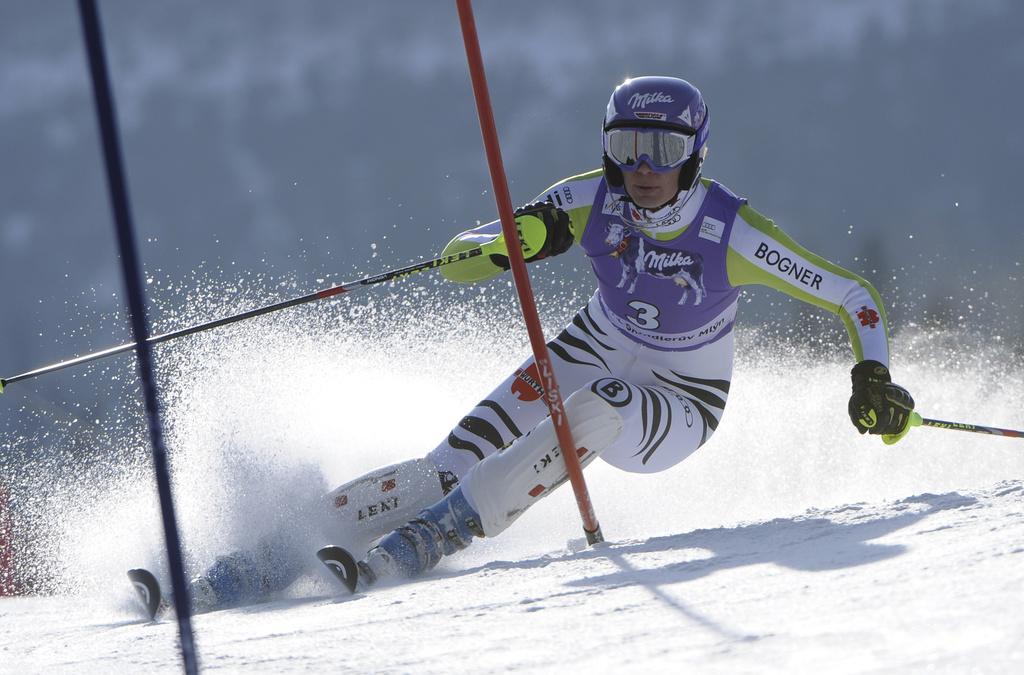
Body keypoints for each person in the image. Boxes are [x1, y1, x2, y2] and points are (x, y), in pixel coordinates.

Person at [187, 76, 915, 607]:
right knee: (451, 461)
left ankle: (448, 531)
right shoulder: (592, 197)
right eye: (627, 147)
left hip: (682, 399)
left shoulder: (734, 232)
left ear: (696, 153)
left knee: (597, 406)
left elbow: (853, 295)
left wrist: (872, 375)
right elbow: (494, 236)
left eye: (663, 148)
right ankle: (279, 549)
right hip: (593, 340)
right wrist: (502, 245)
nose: (644, 168)